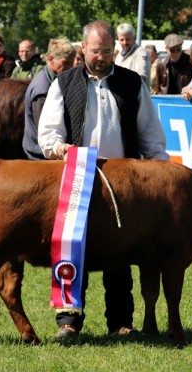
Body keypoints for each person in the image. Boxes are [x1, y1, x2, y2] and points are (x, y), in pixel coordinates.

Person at [38, 20, 169, 339]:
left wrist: (160, 172)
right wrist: (60, 148)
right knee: (72, 248)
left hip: (124, 185)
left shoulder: (133, 83)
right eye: (96, 51)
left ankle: (121, 323)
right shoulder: (64, 82)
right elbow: (48, 133)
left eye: (108, 51)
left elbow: (151, 136)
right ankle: (67, 320)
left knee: (121, 255)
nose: (102, 57)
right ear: (84, 49)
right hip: (76, 180)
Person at [23, 38, 76, 160]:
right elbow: (43, 129)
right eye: (66, 63)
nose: (70, 68)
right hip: (39, 156)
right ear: (51, 59)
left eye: (72, 63)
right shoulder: (43, 89)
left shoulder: (50, 78)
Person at [114, 23, 150, 88]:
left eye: (127, 39)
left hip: (137, 96)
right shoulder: (119, 56)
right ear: (118, 39)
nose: (125, 43)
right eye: (122, 40)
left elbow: (140, 77)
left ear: (134, 37)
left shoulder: (141, 52)